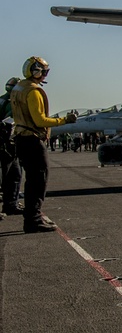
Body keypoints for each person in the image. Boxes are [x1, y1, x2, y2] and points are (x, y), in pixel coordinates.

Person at [9, 57, 77, 233]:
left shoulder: (18, 88)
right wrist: (65, 120)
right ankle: (34, 220)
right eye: (44, 71)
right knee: (38, 180)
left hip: (20, 138)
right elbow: (40, 120)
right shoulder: (33, 91)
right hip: (32, 140)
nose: (45, 75)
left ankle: (32, 219)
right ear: (36, 71)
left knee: (32, 179)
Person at [1, 77, 24, 216]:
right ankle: (10, 204)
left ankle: (11, 205)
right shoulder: (12, 103)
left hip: (8, 144)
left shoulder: (3, 100)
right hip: (5, 144)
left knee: (14, 174)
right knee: (8, 176)